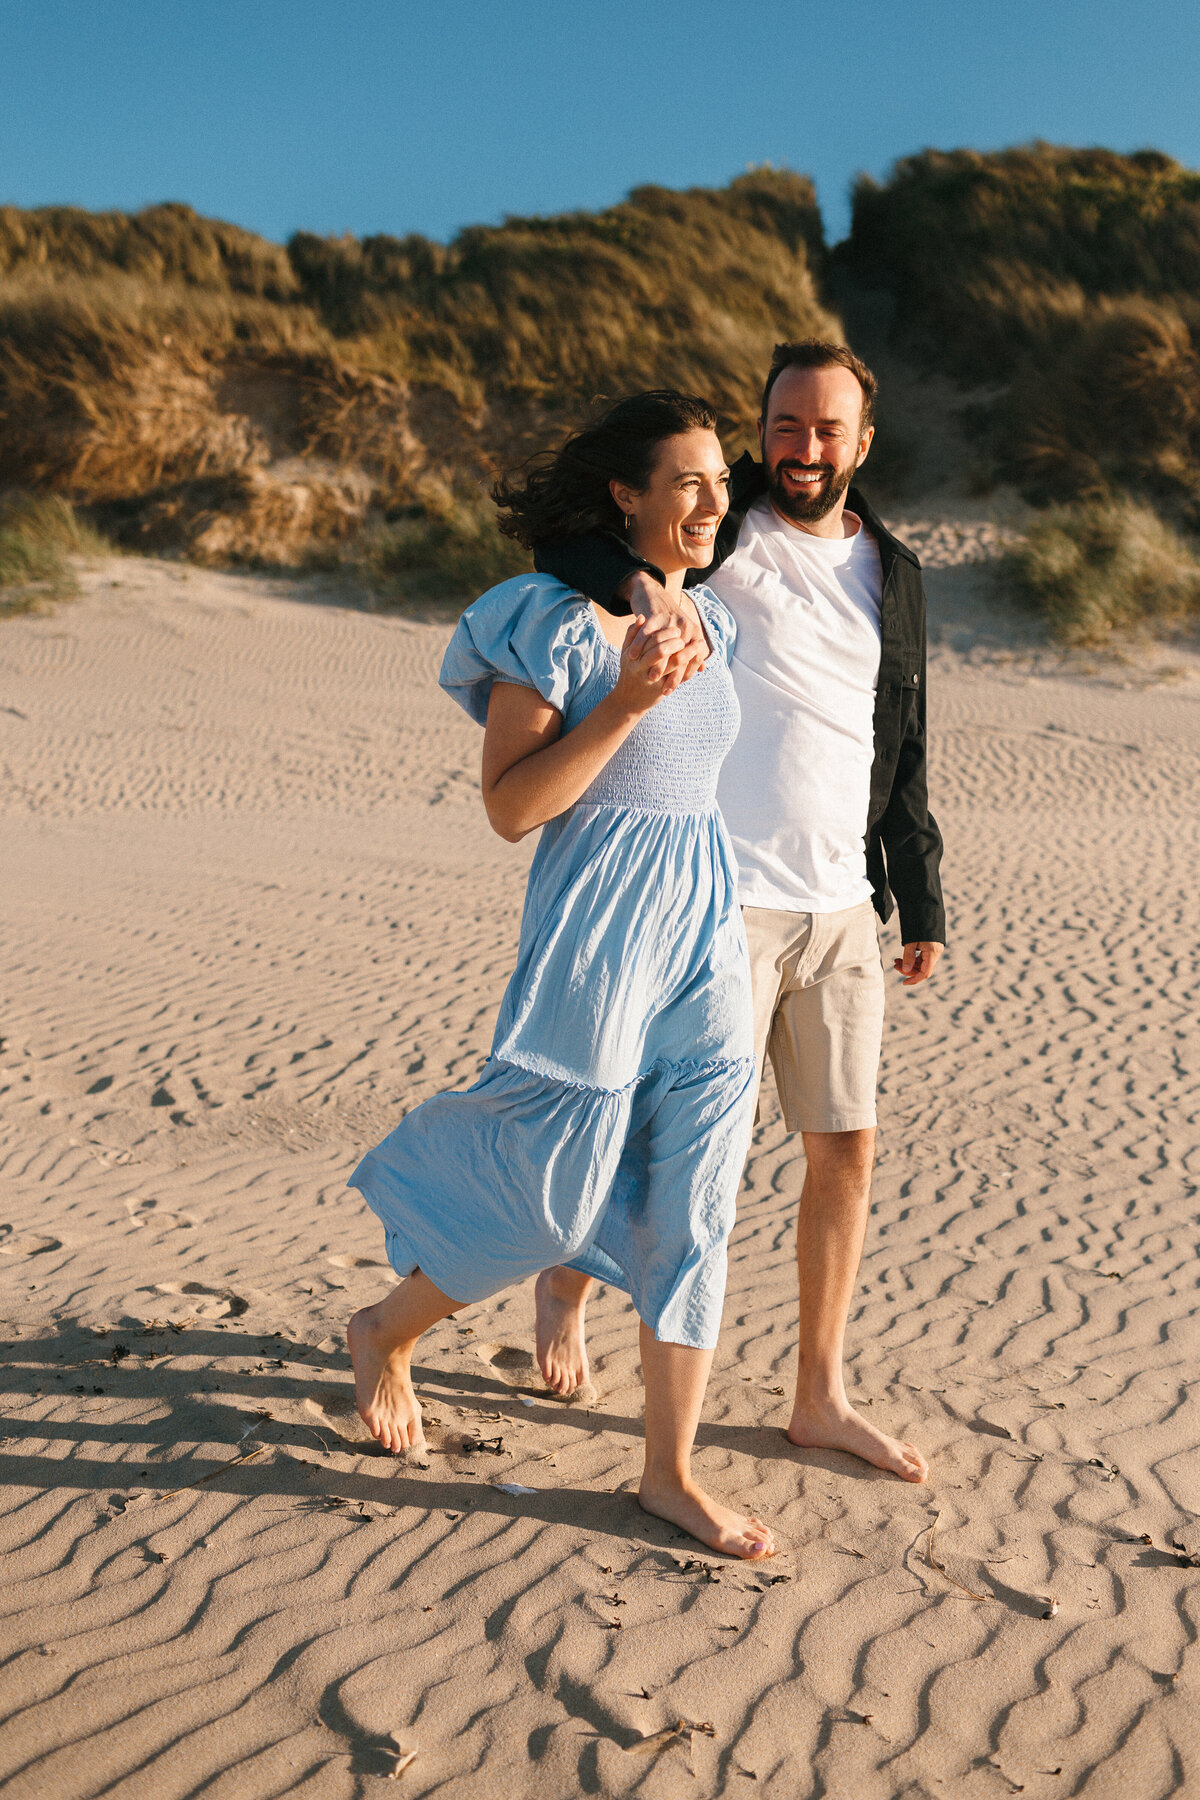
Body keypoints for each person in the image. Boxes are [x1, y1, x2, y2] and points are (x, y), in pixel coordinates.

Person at [346, 391, 776, 1559]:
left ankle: (669, 1475)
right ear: (625, 494)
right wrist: (628, 702)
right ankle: (386, 1330)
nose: (710, 502)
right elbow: (513, 807)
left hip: (703, 923)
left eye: (719, 484)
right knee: (552, 1188)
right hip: (595, 930)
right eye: (685, 480)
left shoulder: (709, 621)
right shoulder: (540, 619)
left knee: (699, 1199)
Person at [532, 340, 945, 1484]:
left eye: (825, 430)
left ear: (863, 442)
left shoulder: (894, 572)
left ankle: (819, 1394)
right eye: (785, 425)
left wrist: (919, 895)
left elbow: (898, 748)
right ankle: (565, 1284)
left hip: (842, 907)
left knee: (845, 1149)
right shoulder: (723, 528)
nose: (801, 449)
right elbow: (562, 546)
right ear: (762, 428)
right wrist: (633, 587)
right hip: (725, 897)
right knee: (664, 1139)